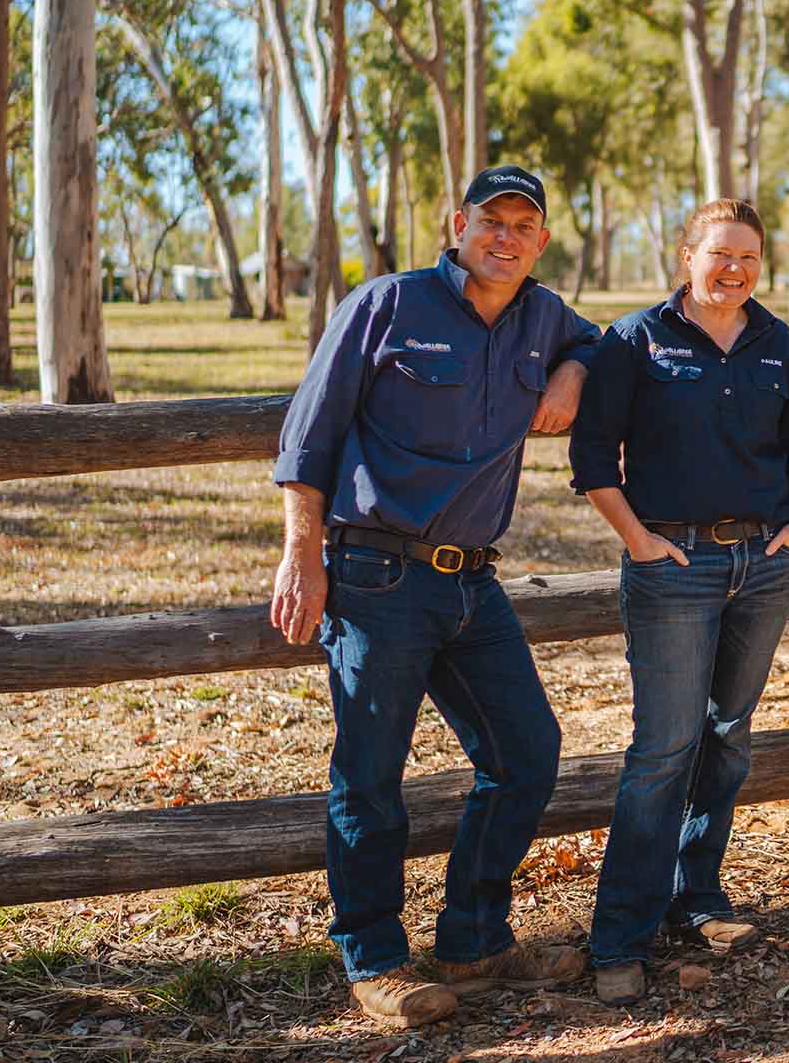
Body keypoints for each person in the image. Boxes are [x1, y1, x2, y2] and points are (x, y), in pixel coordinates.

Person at [268, 165, 601, 1026]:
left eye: (525, 226)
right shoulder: (387, 304)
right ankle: (374, 958)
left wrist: (574, 372)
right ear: (459, 223)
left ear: (541, 242)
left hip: (472, 583)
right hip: (376, 572)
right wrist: (303, 553)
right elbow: (310, 431)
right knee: (372, 776)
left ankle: (474, 940)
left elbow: (606, 343)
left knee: (527, 753)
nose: (507, 238)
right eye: (493, 220)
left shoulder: (545, 316)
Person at [569, 198, 789, 1004]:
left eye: (749, 256)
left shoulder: (775, 342)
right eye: (721, 254)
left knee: (730, 734)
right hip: (673, 563)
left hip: (766, 561)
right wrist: (639, 541)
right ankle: (620, 936)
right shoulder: (634, 341)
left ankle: (697, 895)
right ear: (687, 257)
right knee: (663, 749)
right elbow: (591, 459)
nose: (735, 269)